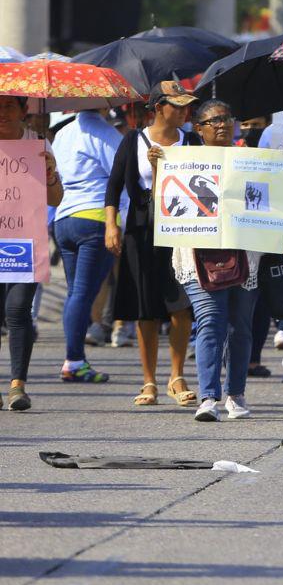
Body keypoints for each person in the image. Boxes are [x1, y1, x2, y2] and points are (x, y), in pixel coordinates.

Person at [104, 81, 199, 407]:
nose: (185, 111)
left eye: (187, 105)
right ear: (158, 107)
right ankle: (148, 380)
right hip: (142, 228)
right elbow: (114, 186)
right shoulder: (133, 139)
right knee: (145, 308)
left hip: (183, 229)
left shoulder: (192, 140)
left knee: (182, 306)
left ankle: (177, 374)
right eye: (178, 105)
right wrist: (110, 225)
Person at [172, 99, 260, 422]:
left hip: (244, 253)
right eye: (214, 120)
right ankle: (208, 397)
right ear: (198, 128)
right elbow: (166, 200)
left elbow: (269, 198)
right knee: (211, 319)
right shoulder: (183, 161)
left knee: (240, 327)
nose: (223, 124)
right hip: (198, 254)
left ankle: (235, 394)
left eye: (227, 117)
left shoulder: (250, 159)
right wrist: (158, 168)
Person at [53, 107, 123, 391]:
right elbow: (120, 180)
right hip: (95, 219)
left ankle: (74, 358)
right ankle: (74, 361)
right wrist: (120, 223)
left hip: (64, 218)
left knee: (75, 293)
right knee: (84, 293)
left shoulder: (62, 133)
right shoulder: (106, 133)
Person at [0, 95, 63, 410]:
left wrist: (49, 173)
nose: (2, 113)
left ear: (24, 111)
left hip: (24, 241)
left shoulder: (37, 144)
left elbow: (55, 198)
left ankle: (17, 386)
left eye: (9, 106)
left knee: (18, 311)